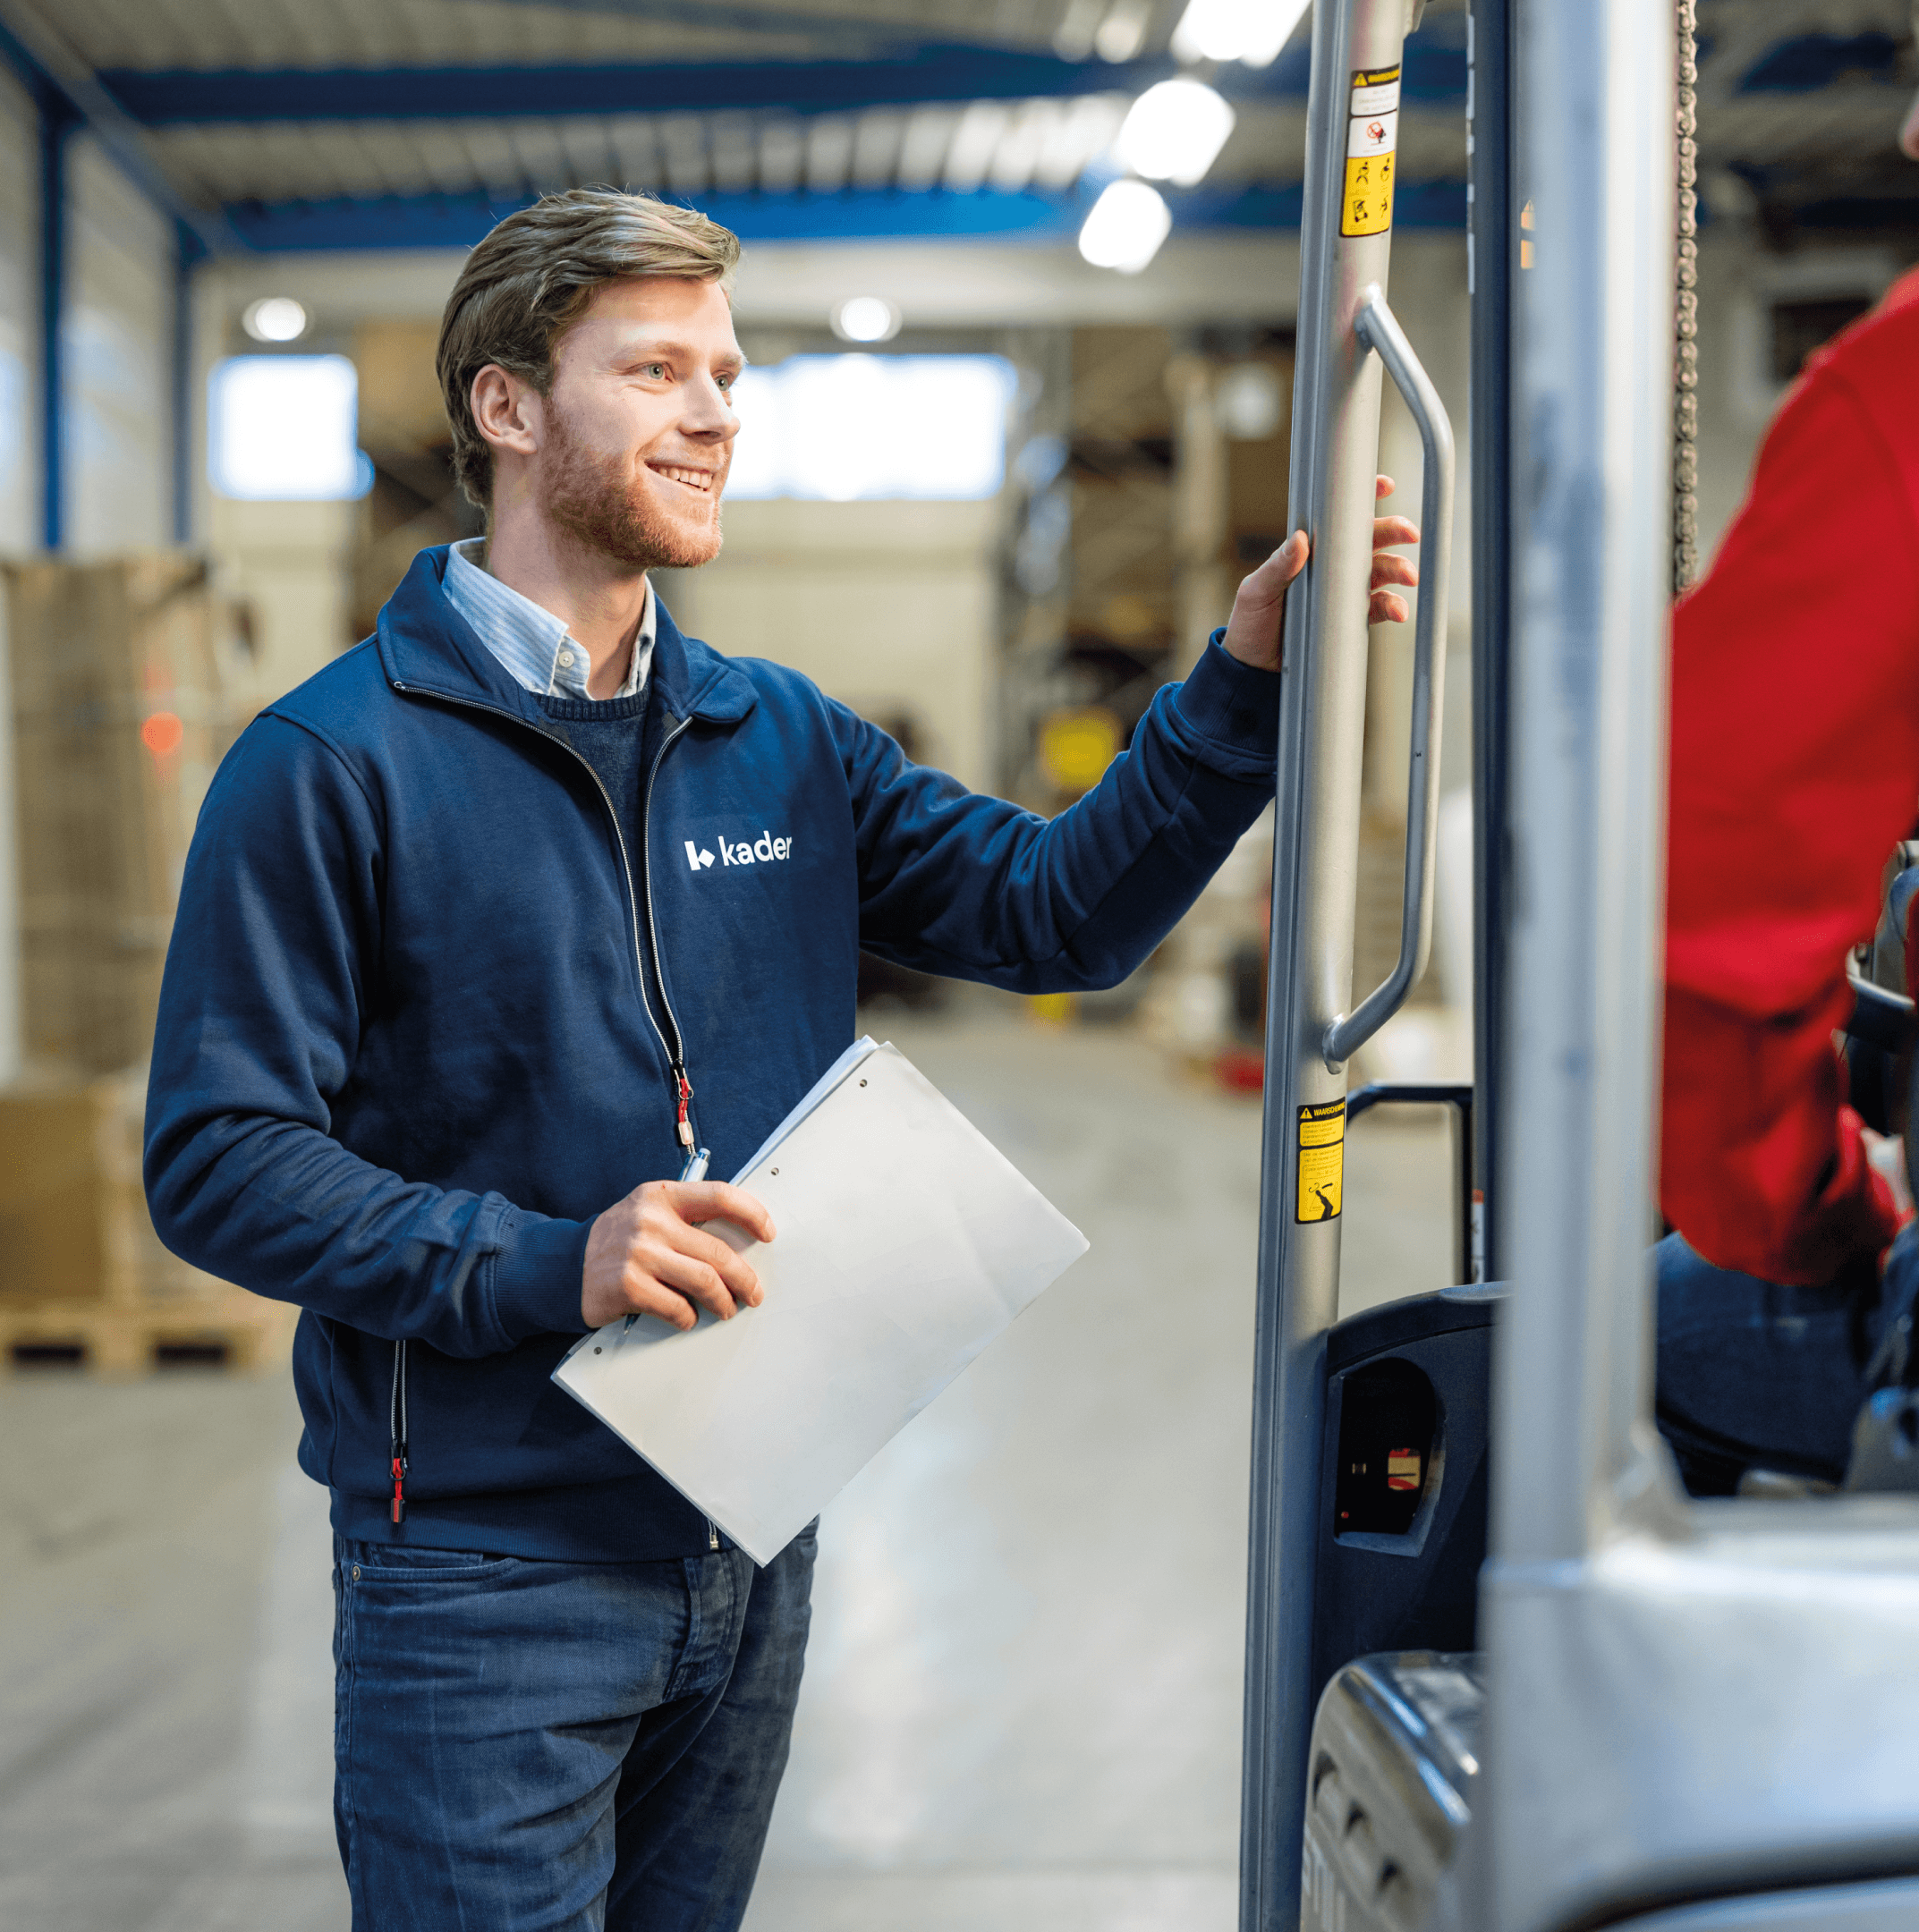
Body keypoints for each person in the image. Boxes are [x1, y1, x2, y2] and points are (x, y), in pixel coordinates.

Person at [143, 189, 1419, 1930]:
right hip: (488, 1574)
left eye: (728, 372)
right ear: (509, 408)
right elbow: (220, 1158)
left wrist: (1242, 690)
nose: (717, 411)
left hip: (753, 1527)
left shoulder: (778, 735)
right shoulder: (330, 766)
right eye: (656, 367)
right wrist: (548, 1262)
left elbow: (1054, 920)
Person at [1653, 5, 1919, 1493]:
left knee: (1600, 1340)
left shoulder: (1908, 397)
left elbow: (1693, 924)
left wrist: (1826, 1214)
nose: (1912, 129)